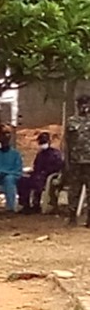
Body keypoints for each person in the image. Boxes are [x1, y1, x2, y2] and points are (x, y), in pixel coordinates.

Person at [18, 132, 64, 214]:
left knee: (38, 180)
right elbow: (36, 166)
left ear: (49, 142)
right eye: (41, 142)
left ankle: (36, 204)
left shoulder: (55, 154)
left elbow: (58, 166)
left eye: (44, 142)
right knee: (23, 180)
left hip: (49, 176)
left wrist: (45, 172)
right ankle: (25, 205)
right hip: (38, 175)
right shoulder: (40, 154)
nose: (43, 144)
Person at [64, 94, 90, 226]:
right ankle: (72, 218)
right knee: (74, 190)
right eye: (81, 104)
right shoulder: (71, 121)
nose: (84, 107)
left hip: (89, 162)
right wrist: (66, 161)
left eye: (86, 104)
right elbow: (67, 143)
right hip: (75, 162)